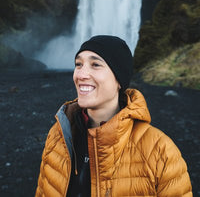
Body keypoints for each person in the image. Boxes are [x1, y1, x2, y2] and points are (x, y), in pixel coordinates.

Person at [35, 35, 193, 197]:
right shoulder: (58, 135)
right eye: (78, 64)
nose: (81, 74)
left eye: (95, 64)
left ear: (119, 80)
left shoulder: (161, 151)